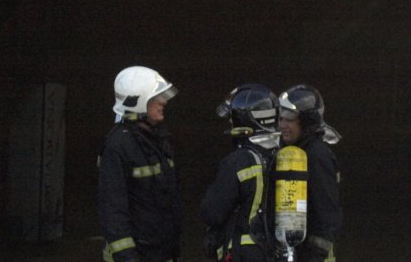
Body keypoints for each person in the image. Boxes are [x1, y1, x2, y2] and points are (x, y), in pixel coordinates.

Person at [98, 66, 182, 262]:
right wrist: (128, 257)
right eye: (155, 98)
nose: (163, 102)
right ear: (137, 103)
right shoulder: (118, 146)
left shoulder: (158, 142)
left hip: (160, 252)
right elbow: (113, 211)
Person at [200, 84, 281, 262]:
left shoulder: (238, 161)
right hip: (273, 253)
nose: (230, 122)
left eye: (232, 117)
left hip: (243, 253)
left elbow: (212, 212)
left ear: (244, 119)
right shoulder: (281, 157)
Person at [278, 85, 341, 262]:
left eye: (289, 119)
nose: (283, 125)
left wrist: (315, 254)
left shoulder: (317, 155)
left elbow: (326, 212)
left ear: (307, 122)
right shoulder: (292, 152)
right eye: (280, 118)